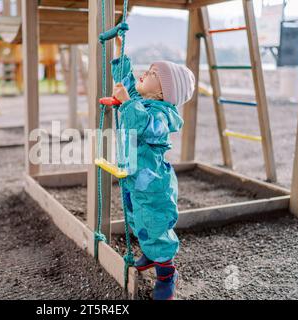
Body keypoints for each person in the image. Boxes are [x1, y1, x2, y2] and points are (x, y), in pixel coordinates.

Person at [110, 37, 195, 300]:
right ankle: (150, 252)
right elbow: (127, 86)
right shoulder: (143, 101)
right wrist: (120, 53)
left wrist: (126, 103)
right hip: (135, 179)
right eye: (149, 69)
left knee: (155, 224)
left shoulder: (163, 114)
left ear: (163, 93)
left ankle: (167, 272)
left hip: (153, 184)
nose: (145, 73)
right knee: (137, 220)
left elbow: (143, 124)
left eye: (154, 74)